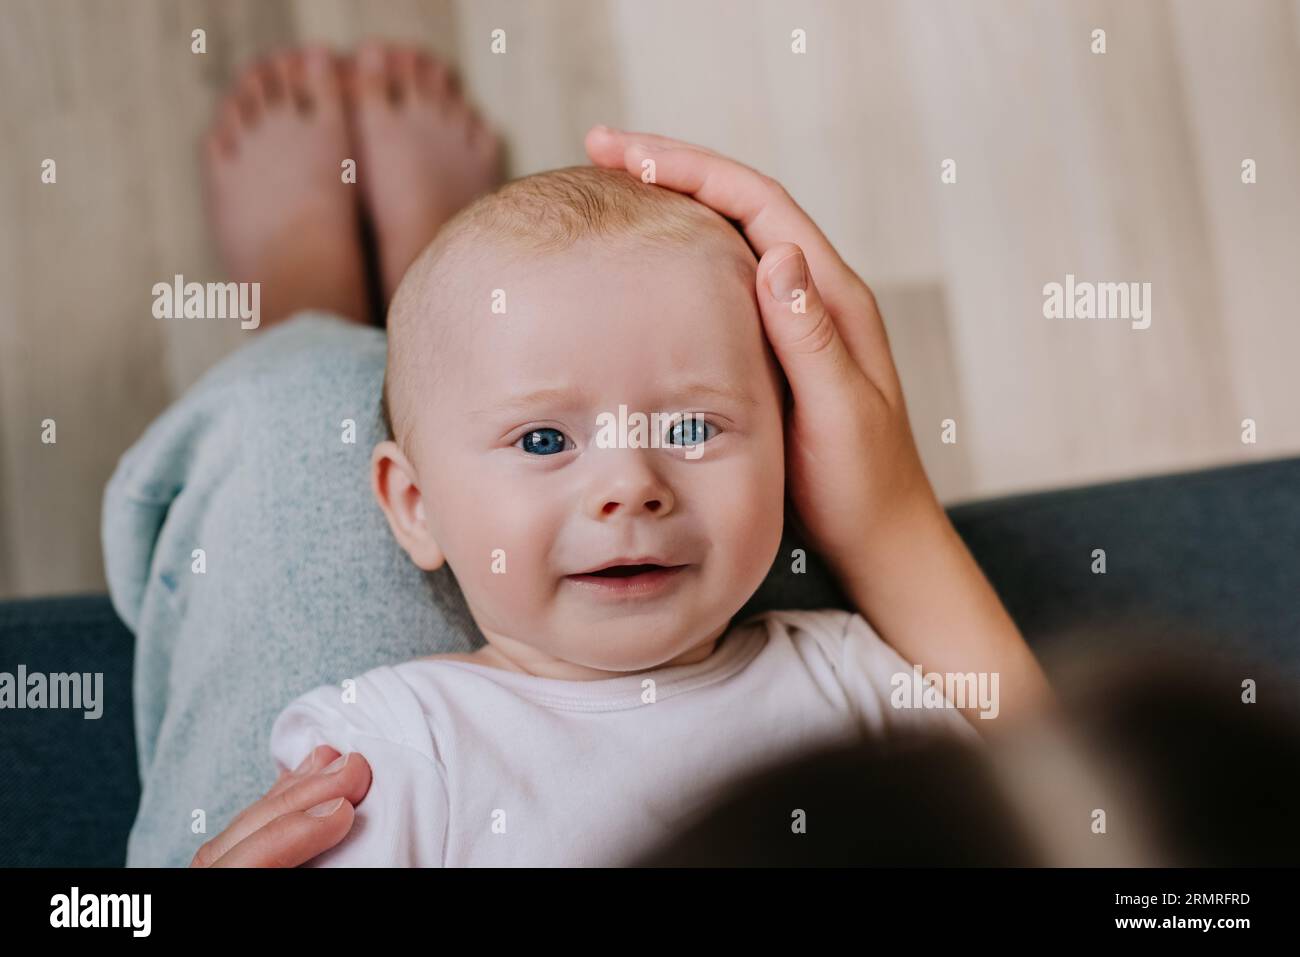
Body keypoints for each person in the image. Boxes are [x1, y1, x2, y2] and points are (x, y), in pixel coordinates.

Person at [190, 46, 1051, 867]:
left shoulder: (853, 674)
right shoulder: (395, 748)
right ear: (413, 505)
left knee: (293, 407)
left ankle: (343, 302)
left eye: (691, 429)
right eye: (544, 439)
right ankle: (416, 265)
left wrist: (891, 519)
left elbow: (1066, 828)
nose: (631, 487)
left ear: (790, 451)